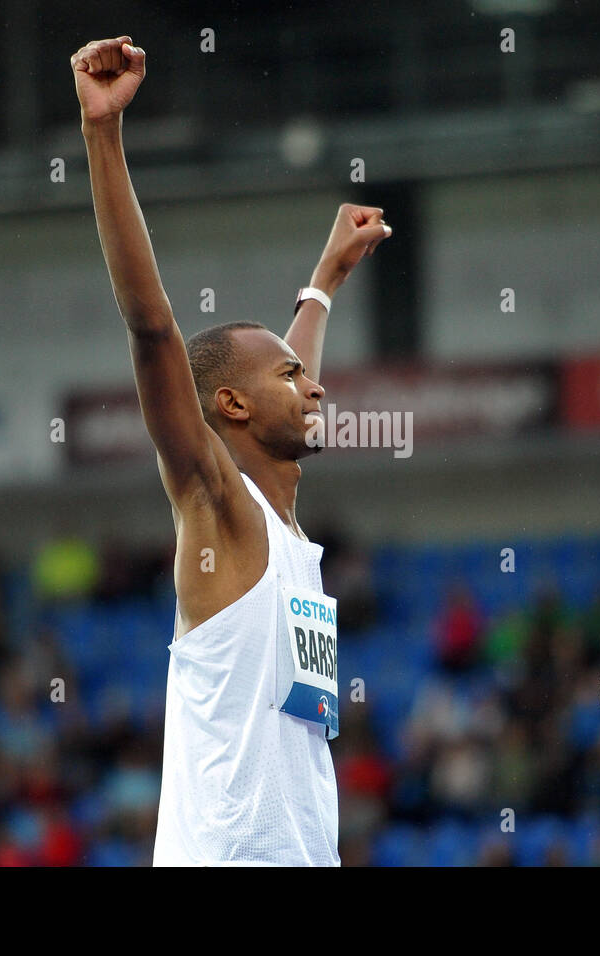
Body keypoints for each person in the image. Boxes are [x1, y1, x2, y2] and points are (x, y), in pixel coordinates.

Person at [72, 35, 391, 866]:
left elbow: (288, 386)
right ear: (232, 404)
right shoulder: (221, 510)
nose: (317, 387)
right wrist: (102, 134)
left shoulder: (281, 530)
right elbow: (151, 328)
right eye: (292, 375)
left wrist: (324, 283)